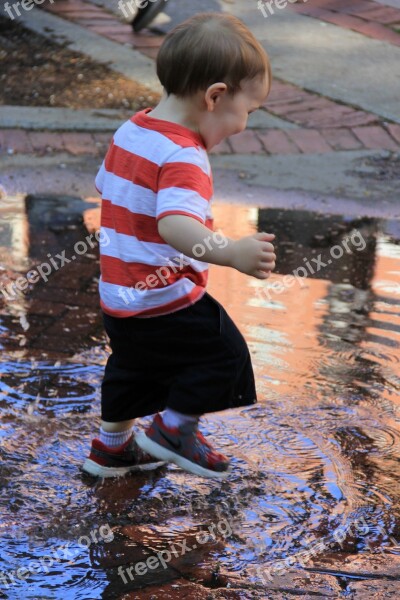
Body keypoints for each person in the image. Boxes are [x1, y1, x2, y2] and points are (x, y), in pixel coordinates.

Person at [82, 12, 275, 480]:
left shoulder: (132, 129)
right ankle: (174, 430)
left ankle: (112, 451)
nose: (243, 127)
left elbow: (104, 183)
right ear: (215, 96)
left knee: (132, 369)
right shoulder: (184, 154)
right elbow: (175, 225)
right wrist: (230, 251)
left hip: (119, 294)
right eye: (247, 111)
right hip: (163, 297)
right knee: (223, 353)